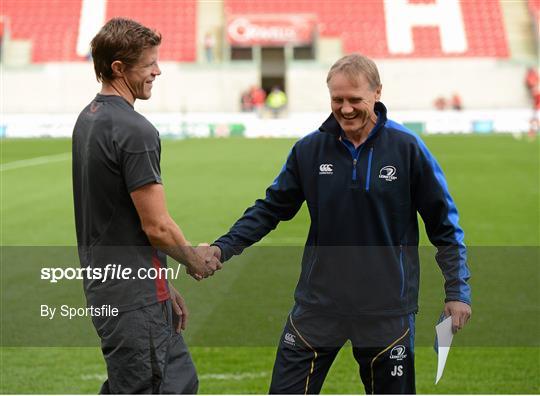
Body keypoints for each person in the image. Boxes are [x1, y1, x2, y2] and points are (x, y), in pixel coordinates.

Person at [204, 54, 471, 394]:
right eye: (337, 99)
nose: (345, 109)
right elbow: (271, 209)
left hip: (386, 310)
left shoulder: (407, 149)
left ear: (377, 93)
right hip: (318, 307)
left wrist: (457, 290)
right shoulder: (310, 150)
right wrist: (221, 248)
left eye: (355, 100)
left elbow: (443, 225)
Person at [72, 18, 221, 394]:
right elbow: (156, 225)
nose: (158, 70)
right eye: (149, 63)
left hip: (122, 289)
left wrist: (161, 285)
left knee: (176, 382)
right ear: (118, 68)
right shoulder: (135, 130)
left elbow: (116, 220)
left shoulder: (87, 119)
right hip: (132, 299)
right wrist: (193, 260)